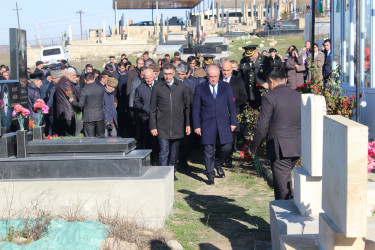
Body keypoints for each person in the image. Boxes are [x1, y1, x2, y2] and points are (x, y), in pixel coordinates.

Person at [248, 67, 301, 200]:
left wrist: (254, 147)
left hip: (280, 149)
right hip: (297, 146)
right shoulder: (298, 95)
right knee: (285, 184)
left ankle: (284, 218)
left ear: (271, 81)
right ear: (286, 79)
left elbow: (261, 126)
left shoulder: (269, 97)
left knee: (282, 190)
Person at [192, 65, 237, 185]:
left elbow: (231, 106)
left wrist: (233, 122)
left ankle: (217, 164)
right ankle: (210, 175)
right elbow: (195, 109)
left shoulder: (225, 86)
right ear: (207, 76)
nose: (213, 79)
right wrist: (196, 125)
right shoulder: (200, 88)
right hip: (207, 123)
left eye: (216, 76)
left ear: (219, 75)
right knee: (208, 150)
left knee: (227, 147)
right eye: (211, 77)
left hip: (223, 123)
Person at [149, 63, 191, 177]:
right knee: (164, 151)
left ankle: (172, 172)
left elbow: (187, 107)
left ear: (174, 73)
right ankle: (163, 174)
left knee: (174, 152)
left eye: (170, 74)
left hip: (178, 125)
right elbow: (152, 108)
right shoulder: (158, 87)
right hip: (162, 125)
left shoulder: (181, 86)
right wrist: (153, 126)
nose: (167, 76)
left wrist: (187, 124)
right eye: (165, 74)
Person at [221, 61, 248, 167]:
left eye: (228, 70)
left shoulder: (238, 80)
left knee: (232, 137)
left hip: (233, 112)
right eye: (224, 70)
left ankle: (228, 160)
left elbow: (243, 96)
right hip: (220, 113)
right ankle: (220, 157)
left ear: (232, 70)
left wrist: (232, 104)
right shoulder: (217, 80)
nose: (226, 73)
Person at [70, 73, 105, 137]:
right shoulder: (101, 88)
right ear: (94, 79)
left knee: (89, 138)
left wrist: (73, 102)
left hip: (89, 116)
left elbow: (81, 104)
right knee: (101, 136)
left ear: (85, 80)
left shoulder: (84, 90)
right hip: (100, 116)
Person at [239, 45, 271, 109]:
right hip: (247, 92)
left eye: (251, 55)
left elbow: (271, 73)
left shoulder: (265, 60)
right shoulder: (243, 61)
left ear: (256, 52)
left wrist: (267, 83)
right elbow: (241, 75)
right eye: (248, 55)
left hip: (261, 91)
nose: (250, 57)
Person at [55, 68, 79, 136]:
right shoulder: (66, 82)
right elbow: (71, 96)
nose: (75, 77)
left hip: (65, 112)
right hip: (67, 112)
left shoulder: (64, 80)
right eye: (73, 75)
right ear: (68, 75)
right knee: (69, 136)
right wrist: (79, 104)